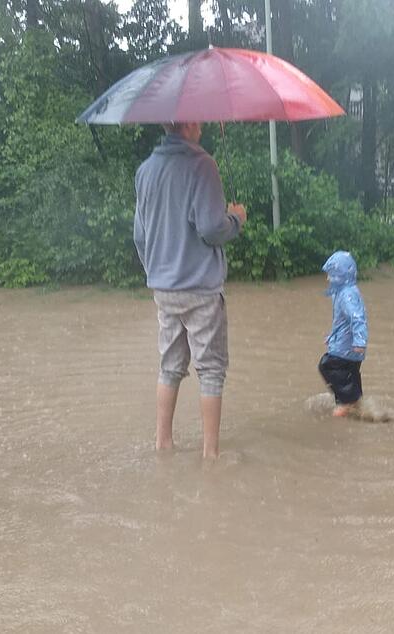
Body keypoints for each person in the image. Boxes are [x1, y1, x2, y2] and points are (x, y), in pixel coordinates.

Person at [133, 121, 246, 458]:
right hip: (200, 287)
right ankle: (210, 455)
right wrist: (236, 219)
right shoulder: (203, 165)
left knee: (170, 366)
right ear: (189, 122)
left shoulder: (145, 170)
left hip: (163, 288)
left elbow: (140, 235)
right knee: (210, 369)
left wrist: (156, 270)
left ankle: (162, 444)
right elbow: (212, 229)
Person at [318, 251, 368, 417]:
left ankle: (348, 402)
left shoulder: (347, 295)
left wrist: (360, 342)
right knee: (350, 373)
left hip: (347, 348)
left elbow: (357, 318)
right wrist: (332, 336)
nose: (328, 279)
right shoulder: (344, 291)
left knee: (327, 365)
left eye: (331, 275)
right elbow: (342, 321)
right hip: (347, 346)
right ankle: (355, 402)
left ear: (341, 276)